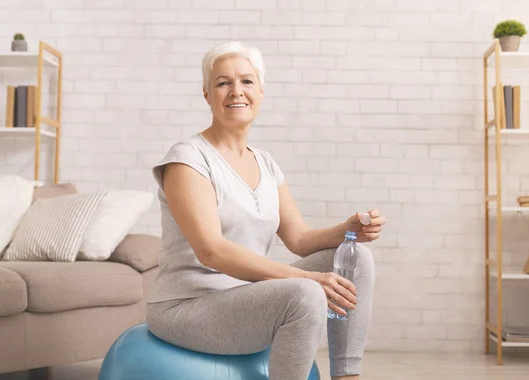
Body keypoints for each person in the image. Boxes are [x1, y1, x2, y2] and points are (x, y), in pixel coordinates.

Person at [146, 41, 386, 380]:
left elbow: (299, 239)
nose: (235, 91)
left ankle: (347, 376)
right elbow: (210, 251)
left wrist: (347, 230)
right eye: (222, 82)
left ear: (261, 90)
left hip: (245, 297)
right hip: (187, 306)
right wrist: (306, 278)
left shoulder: (266, 163)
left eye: (246, 81)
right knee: (303, 294)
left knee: (356, 258)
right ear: (206, 94)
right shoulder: (188, 159)